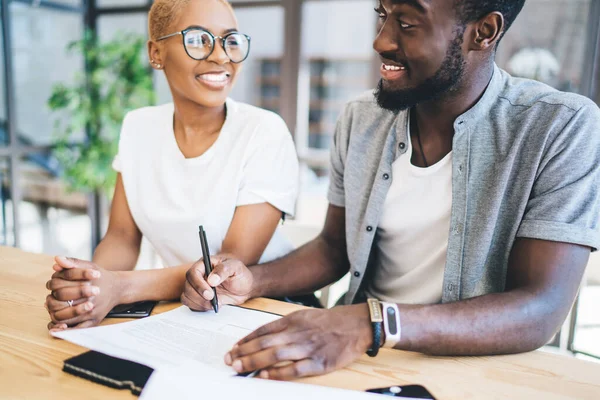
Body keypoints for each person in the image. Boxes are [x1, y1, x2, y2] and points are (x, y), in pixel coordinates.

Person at [179, 0, 600, 380]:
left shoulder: (560, 127)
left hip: (474, 371)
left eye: (408, 23)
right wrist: (253, 280)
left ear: (483, 32)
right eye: (382, 15)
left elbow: (540, 309)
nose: (381, 40)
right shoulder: (361, 118)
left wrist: (370, 323)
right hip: (357, 353)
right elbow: (333, 247)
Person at [44, 0, 298, 330]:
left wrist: (118, 288)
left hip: (266, 309)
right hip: (187, 311)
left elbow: (228, 269)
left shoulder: (262, 131)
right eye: (198, 39)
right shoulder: (138, 127)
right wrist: (90, 288)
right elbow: (121, 238)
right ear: (156, 53)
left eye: (230, 40)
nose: (221, 56)